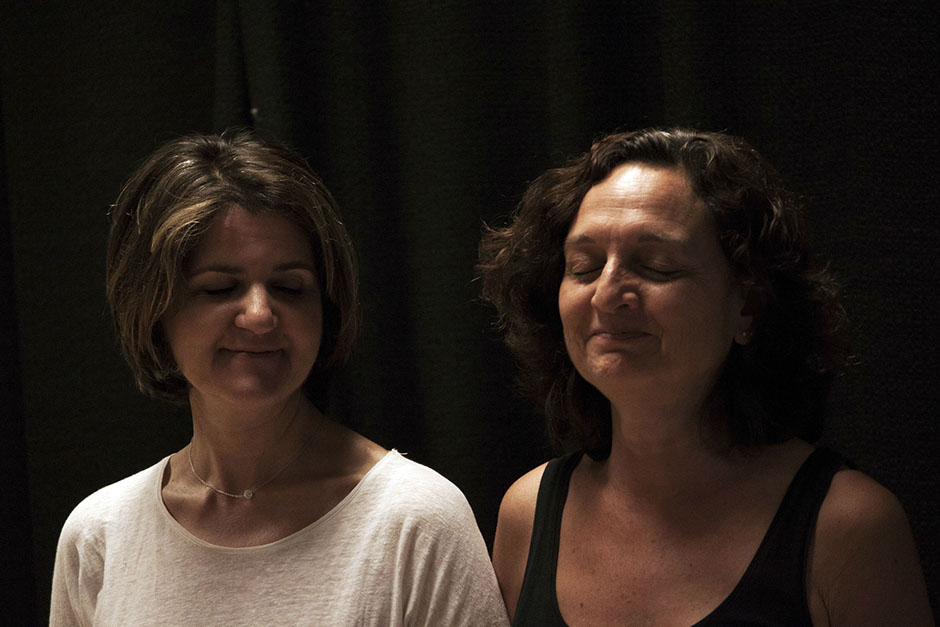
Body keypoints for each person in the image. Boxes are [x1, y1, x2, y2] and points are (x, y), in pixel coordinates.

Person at [51, 130, 509, 626]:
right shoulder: (100, 534)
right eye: (219, 288)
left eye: (290, 287)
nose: (259, 315)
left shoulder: (416, 521)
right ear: (153, 311)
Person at [478, 128, 932, 625]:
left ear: (748, 305)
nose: (606, 294)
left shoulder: (848, 526)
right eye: (584, 267)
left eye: (657, 266)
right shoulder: (527, 515)